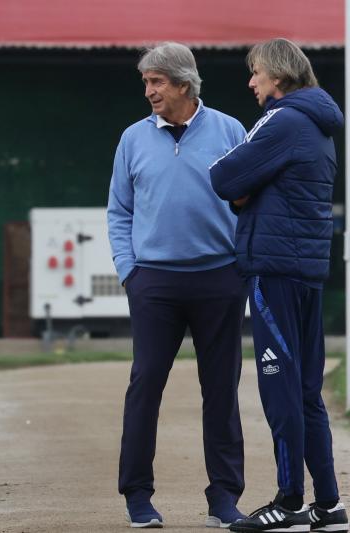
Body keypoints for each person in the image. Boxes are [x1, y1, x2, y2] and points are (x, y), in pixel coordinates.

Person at [210, 38, 349, 533]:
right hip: (308, 270)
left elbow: (224, 177)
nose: (251, 82)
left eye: (256, 73)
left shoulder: (282, 118)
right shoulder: (319, 124)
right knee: (307, 392)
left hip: (273, 270)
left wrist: (247, 189)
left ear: (279, 77)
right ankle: (328, 506)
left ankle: (289, 502)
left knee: (281, 391)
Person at [107, 42, 248, 529]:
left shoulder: (230, 130)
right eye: (146, 82)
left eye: (157, 82)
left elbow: (250, 200)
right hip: (154, 283)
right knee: (145, 384)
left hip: (220, 279)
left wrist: (240, 266)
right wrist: (131, 271)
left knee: (222, 391)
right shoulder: (132, 138)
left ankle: (225, 498)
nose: (149, 91)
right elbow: (119, 211)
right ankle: (138, 496)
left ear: (184, 85)